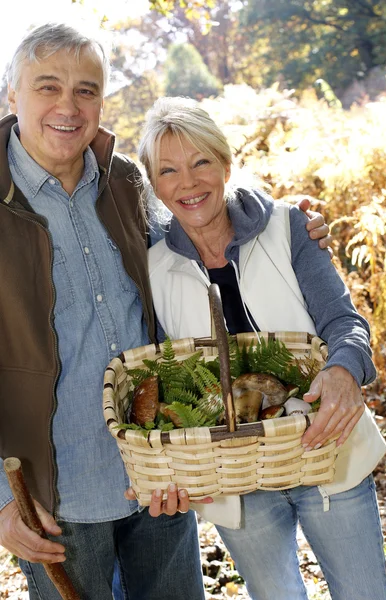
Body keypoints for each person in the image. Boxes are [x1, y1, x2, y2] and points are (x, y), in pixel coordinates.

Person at [0, 22, 331, 600]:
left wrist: (283, 218)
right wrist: (4, 503)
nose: (68, 106)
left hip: (161, 474)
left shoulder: (126, 182)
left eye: (87, 89)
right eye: (47, 86)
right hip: (57, 499)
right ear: (12, 93)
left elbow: (198, 217)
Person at [132, 96, 386, 600]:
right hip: (236, 479)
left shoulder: (288, 227)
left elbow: (344, 321)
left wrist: (343, 371)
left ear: (226, 164)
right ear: (154, 184)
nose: (188, 182)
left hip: (325, 447)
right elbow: (168, 385)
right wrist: (171, 469)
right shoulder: (152, 268)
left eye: (201, 161)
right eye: (168, 170)